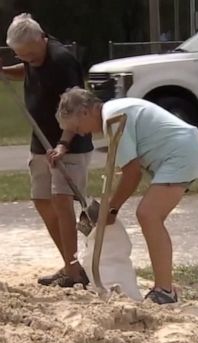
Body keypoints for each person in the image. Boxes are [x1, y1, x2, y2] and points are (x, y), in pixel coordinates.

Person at [55, 87, 198, 304]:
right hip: (182, 151)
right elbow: (129, 171)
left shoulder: (114, 118)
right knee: (149, 215)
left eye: (78, 127)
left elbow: (132, 174)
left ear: (84, 112)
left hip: (181, 153)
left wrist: (111, 209)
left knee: (149, 215)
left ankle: (165, 290)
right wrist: (110, 208)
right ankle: (164, 286)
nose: (81, 133)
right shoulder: (114, 114)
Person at [0, 14, 93, 287]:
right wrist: (6, 72)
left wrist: (64, 143)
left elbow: (77, 107)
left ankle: (75, 271)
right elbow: (28, 70)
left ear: (42, 39)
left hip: (69, 144)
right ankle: (69, 264)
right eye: (22, 56)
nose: (28, 60)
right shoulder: (32, 57)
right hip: (40, 143)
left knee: (62, 202)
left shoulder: (62, 61)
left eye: (30, 55)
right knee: (43, 201)